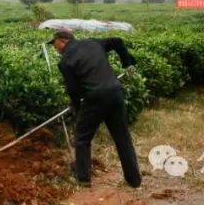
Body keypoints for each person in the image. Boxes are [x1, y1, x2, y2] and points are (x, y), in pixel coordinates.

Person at [50, 27, 142, 188]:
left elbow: (73, 90)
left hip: (95, 98)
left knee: (82, 137)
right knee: (122, 138)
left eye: (54, 43)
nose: (54, 47)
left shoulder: (65, 61)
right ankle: (134, 180)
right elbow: (118, 42)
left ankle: (84, 179)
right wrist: (127, 62)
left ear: (63, 40)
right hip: (115, 92)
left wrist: (77, 108)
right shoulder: (92, 43)